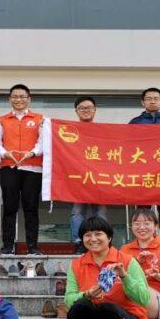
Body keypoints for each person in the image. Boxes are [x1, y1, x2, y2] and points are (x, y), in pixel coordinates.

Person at [64, 216, 150, 319]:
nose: (93, 239)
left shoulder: (127, 261)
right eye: (87, 235)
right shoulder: (76, 264)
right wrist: (86, 295)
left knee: (107, 308)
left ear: (109, 237)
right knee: (81, 305)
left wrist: (124, 276)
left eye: (98, 234)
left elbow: (144, 299)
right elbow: (69, 299)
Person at [0, 84, 45, 255]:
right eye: (15, 96)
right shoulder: (1, 120)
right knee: (9, 207)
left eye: (22, 96)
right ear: (9, 99)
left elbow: (43, 142)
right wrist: (5, 153)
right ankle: (7, 247)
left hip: (33, 168)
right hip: (9, 167)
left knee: (31, 208)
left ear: (29, 99)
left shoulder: (40, 119)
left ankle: (33, 247)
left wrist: (32, 153)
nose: (19, 99)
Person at [129, 87, 160, 240]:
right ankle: (143, 241)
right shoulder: (134, 123)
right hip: (143, 173)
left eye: (156, 98)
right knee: (142, 211)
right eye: (149, 98)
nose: (152, 101)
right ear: (142, 102)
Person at [120, 207, 160, 319]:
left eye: (147, 223)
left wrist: (157, 275)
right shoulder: (124, 250)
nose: (141, 227)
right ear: (131, 226)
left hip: (159, 298)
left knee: (135, 289)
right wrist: (136, 263)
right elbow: (118, 278)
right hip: (130, 294)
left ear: (156, 226)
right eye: (136, 223)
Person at [69, 96, 107, 254]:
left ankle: (103, 240)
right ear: (76, 111)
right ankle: (79, 242)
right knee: (77, 211)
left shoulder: (103, 131)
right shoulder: (70, 131)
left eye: (89, 108)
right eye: (82, 108)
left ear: (95, 110)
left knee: (101, 211)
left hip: (100, 177)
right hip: (78, 177)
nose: (86, 111)